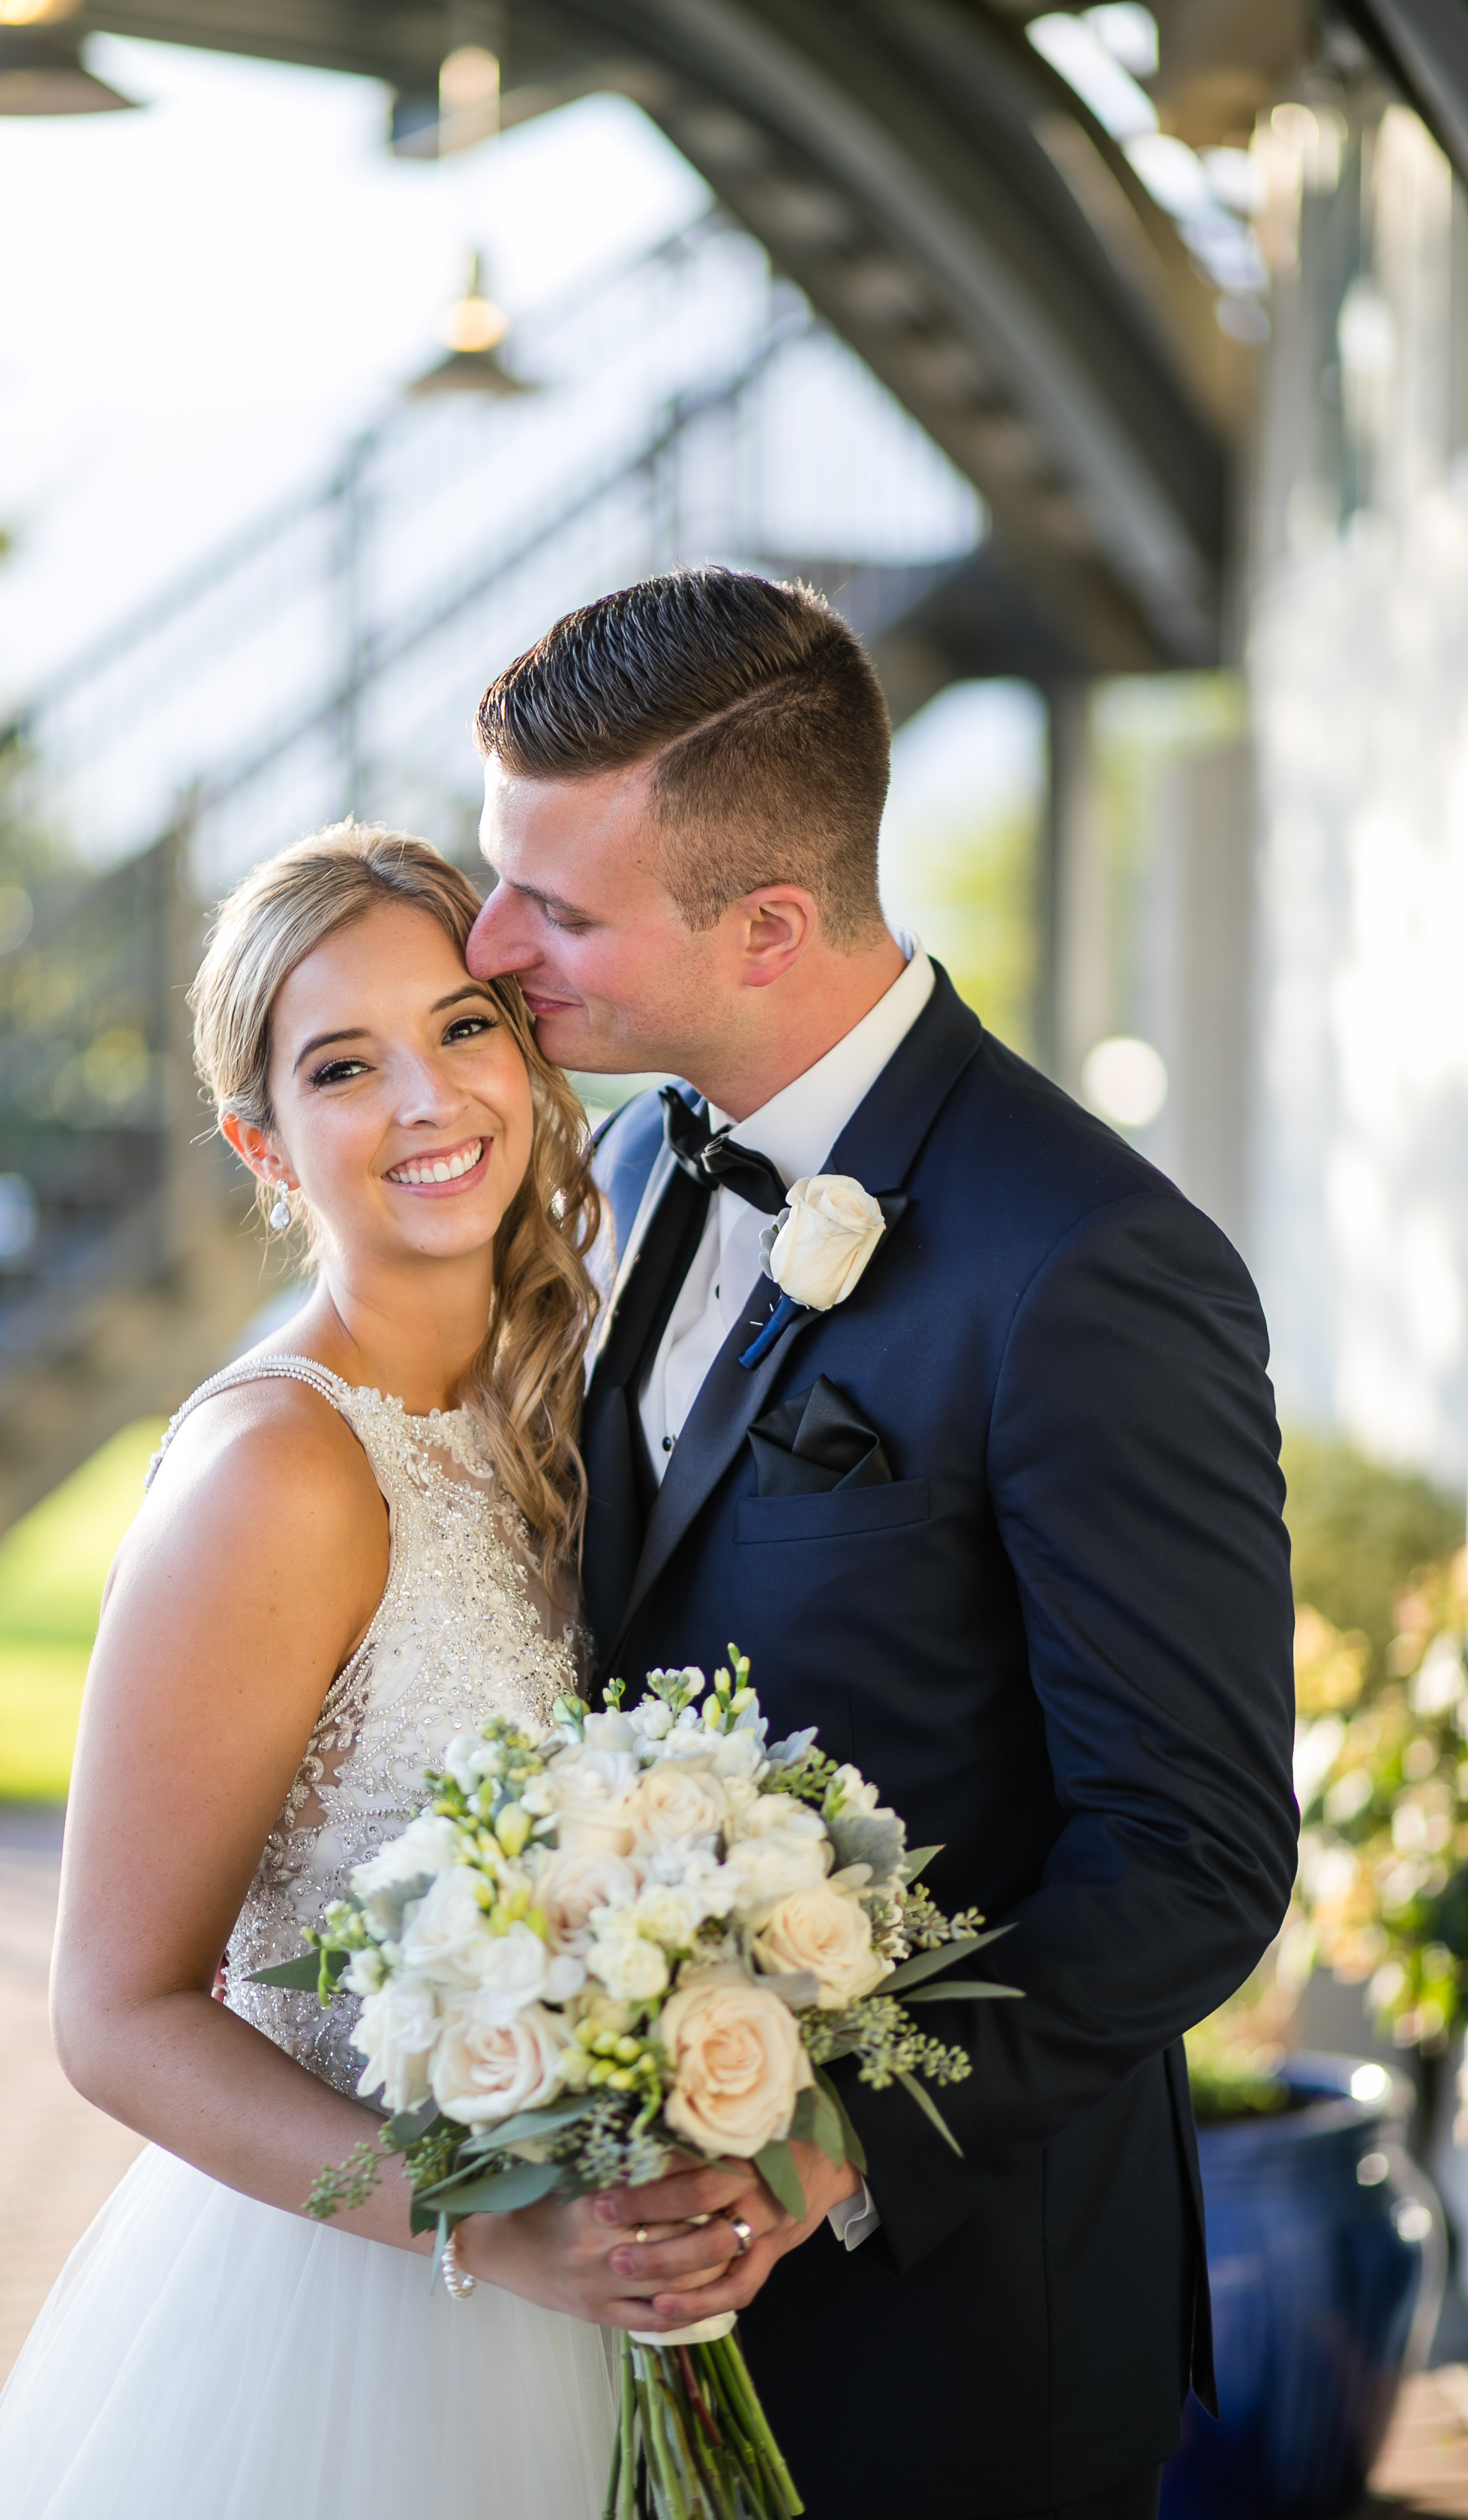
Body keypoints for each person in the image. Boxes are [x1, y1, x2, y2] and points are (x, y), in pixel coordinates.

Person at [465, 567, 1300, 2520]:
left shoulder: (1093, 1266)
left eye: (558, 909)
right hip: (613, 2314)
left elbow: (1189, 1861)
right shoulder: (643, 1154)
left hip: (958, 2336)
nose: (493, 946)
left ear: (767, 927)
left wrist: (819, 2149)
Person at [0, 828, 735, 2520]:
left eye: (463, 1027)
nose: (430, 1102)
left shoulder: (557, 1403)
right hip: (363, 2321)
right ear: (267, 1144)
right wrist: (491, 2219)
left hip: (594, 2307)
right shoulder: (282, 1473)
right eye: (343, 1066)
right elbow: (118, 2015)